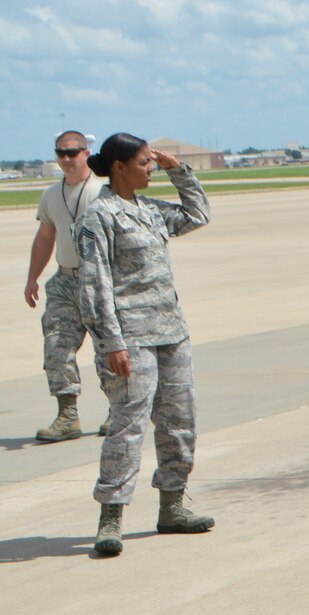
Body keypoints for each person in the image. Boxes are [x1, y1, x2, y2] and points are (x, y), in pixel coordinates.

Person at [73, 133, 215, 558]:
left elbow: (197, 214)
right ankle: (111, 517)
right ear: (119, 166)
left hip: (171, 332)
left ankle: (172, 507)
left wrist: (177, 169)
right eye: (143, 162)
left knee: (180, 423)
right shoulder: (100, 216)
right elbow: (94, 285)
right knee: (128, 425)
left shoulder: (149, 211)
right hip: (129, 339)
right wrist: (110, 342)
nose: (149, 168)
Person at [25, 129, 108, 443]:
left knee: (108, 349)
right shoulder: (50, 195)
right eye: (61, 153)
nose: (66, 159)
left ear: (86, 152)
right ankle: (67, 416)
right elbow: (46, 237)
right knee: (56, 346)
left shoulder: (102, 191)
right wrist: (33, 278)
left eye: (73, 152)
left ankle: (118, 410)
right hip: (64, 280)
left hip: (98, 281)